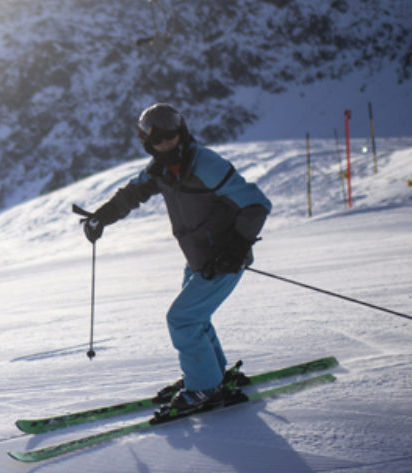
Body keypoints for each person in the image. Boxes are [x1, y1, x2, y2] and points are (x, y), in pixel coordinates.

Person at [81, 103, 272, 418]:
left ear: (181, 132)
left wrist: (237, 247)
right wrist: (100, 218)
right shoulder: (160, 171)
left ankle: (206, 388)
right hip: (200, 260)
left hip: (224, 260)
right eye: (158, 140)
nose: (166, 143)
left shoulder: (205, 164)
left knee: (182, 319)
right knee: (195, 318)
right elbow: (131, 195)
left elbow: (257, 204)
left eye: (171, 135)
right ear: (148, 144)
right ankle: (212, 375)